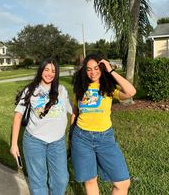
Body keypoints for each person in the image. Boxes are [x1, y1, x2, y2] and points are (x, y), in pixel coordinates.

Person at [71, 54, 136, 195]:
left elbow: (131, 92)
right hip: (81, 137)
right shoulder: (80, 88)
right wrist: (70, 138)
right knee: (90, 180)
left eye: (96, 68)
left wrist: (110, 70)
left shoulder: (109, 88)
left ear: (101, 68)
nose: (92, 72)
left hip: (105, 139)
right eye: (88, 69)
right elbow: (75, 113)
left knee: (123, 183)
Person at [10, 58, 73, 195]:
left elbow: (74, 112)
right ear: (41, 70)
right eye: (46, 69)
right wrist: (14, 144)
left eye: (53, 71)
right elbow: (18, 116)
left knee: (61, 179)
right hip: (34, 141)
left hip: (57, 142)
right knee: (38, 181)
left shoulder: (61, 90)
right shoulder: (30, 90)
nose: (50, 73)